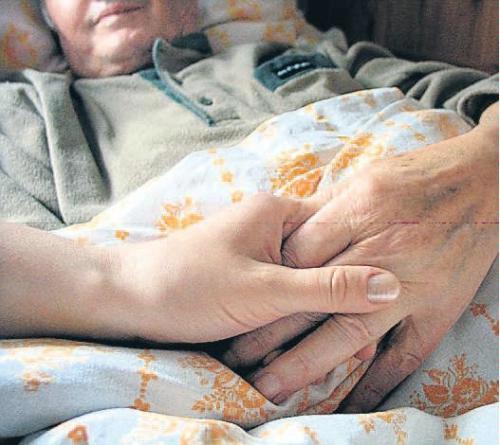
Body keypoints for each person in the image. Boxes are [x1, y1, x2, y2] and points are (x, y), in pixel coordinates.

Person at [0, 0, 497, 411]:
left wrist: (484, 164)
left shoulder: (313, 52)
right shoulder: (23, 115)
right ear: (47, 17)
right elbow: (36, 314)